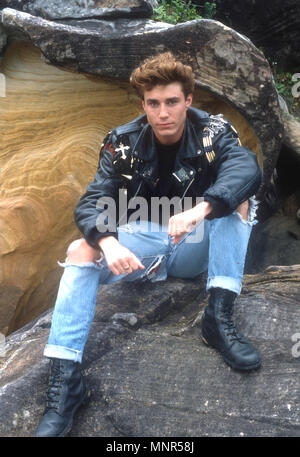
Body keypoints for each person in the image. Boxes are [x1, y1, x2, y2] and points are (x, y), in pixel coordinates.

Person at [34, 52, 262, 437]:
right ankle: (66, 381)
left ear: (188, 100)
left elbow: (246, 169)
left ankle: (218, 319)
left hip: (195, 243)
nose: (163, 113)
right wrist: (108, 242)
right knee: (80, 250)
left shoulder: (214, 131)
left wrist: (201, 209)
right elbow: (93, 200)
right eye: (153, 104)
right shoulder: (121, 142)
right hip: (143, 250)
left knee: (238, 200)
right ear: (143, 105)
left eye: (172, 102)